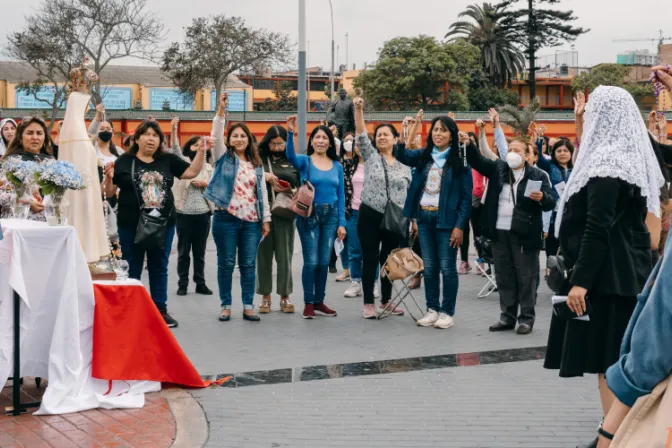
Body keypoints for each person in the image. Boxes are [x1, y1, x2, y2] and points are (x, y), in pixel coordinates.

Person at [541, 86, 665, 448]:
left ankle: (614, 441)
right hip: (629, 273)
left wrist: (579, 282)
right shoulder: (630, 156)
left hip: (607, 280)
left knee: (609, 366)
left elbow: (598, 227)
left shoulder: (607, 163)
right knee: (620, 363)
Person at [102, 119, 206, 328]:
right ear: (137, 138)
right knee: (132, 266)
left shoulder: (167, 160)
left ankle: (160, 310)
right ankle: (131, 310)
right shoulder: (124, 161)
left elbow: (191, 172)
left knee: (159, 266)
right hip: (130, 224)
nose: (151, 139)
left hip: (163, 224)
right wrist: (108, 178)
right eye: (147, 134)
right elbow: (110, 193)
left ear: (160, 140)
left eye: (155, 135)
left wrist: (202, 151)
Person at [466, 121, 555, 335]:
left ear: (526, 156)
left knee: (526, 277)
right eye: (510, 149)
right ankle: (507, 317)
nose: (512, 153)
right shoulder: (498, 168)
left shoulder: (538, 175)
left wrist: (542, 197)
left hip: (524, 233)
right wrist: (469, 144)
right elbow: (477, 161)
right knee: (504, 276)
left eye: (517, 150)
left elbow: (551, 202)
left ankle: (526, 319)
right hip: (499, 231)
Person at [395, 114, 472, 329]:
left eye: (443, 130)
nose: (438, 134)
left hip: (447, 221)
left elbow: (466, 198)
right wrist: (405, 132)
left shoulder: (460, 161)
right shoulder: (424, 156)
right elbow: (401, 155)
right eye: (435, 130)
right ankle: (432, 310)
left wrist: (460, 226)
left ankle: (447, 312)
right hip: (424, 217)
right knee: (429, 268)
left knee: (447, 267)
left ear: (451, 135)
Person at [204, 94, 271, 323]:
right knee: (226, 263)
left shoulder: (256, 164)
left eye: (243, 136)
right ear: (229, 140)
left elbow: (262, 194)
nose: (239, 139)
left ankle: (248, 306)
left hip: (251, 222)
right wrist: (221, 112)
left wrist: (266, 220)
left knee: (248, 264)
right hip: (226, 219)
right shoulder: (223, 157)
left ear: (249, 139)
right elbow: (216, 135)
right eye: (235, 136)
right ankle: (225, 305)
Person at [353, 97, 411, 319]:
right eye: (379, 135)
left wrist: (411, 220)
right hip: (370, 214)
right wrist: (359, 109)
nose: (382, 137)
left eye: (387, 134)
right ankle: (369, 303)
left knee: (389, 260)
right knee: (370, 258)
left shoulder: (404, 165)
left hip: (394, 217)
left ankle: (386, 301)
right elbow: (361, 134)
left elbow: (408, 194)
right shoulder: (371, 157)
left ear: (396, 139)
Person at [285, 115, 345, 319]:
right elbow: (290, 156)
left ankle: (319, 301)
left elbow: (341, 196)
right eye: (317, 137)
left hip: (331, 215)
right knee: (311, 262)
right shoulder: (305, 161)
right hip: (309, 215)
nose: (320, 141)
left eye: (324, 138)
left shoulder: (337, 166)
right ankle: (308, 303)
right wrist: (290, 132)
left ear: (330, 142)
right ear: (311, 141)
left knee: (323, 262)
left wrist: (342, 224)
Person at [256, 124, 300, 314]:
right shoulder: (259, 160)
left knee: (285, 256)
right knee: (263, 257)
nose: (276, 147)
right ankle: (265, 297)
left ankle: (285, 297)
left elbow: (302, 183)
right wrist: (265, 177)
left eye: (280, 143)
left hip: (286, 214)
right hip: (263, 214)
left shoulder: (293, 160)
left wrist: (291, 189)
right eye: (273, 144)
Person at [169, 117, 214, 297]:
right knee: (183, 251)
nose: (198, 148)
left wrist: (205, 184)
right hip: (183, 213)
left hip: (203, 214)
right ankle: (182, 284)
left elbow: (215, 187)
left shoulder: (209, 167)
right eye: (195, 145)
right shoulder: (183, 163)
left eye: (201, 145)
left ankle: (200, 283)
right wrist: (173, 130)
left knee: (200, 252)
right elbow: (175, 149)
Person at [2, 116, 55, 221]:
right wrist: (27, 201)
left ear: (45, 137)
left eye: (39, 133)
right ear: (20, 137)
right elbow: (2, 195)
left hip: (48, 222)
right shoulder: (11, 162)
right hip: (19, 222)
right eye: (29, 133)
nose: (35, 137)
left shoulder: (52, 162)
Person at [534, 138, 574, 257]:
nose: (562, 153)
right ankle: (552, 272)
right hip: (554, 214)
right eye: (559, 151)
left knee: (570, 246)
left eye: (566, 151)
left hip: (572, 213)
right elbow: (540, 158)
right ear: (554, 153)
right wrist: (539, 141)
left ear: (571, 153)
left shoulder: (576, 168)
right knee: (552, 246)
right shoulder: (550, 166)